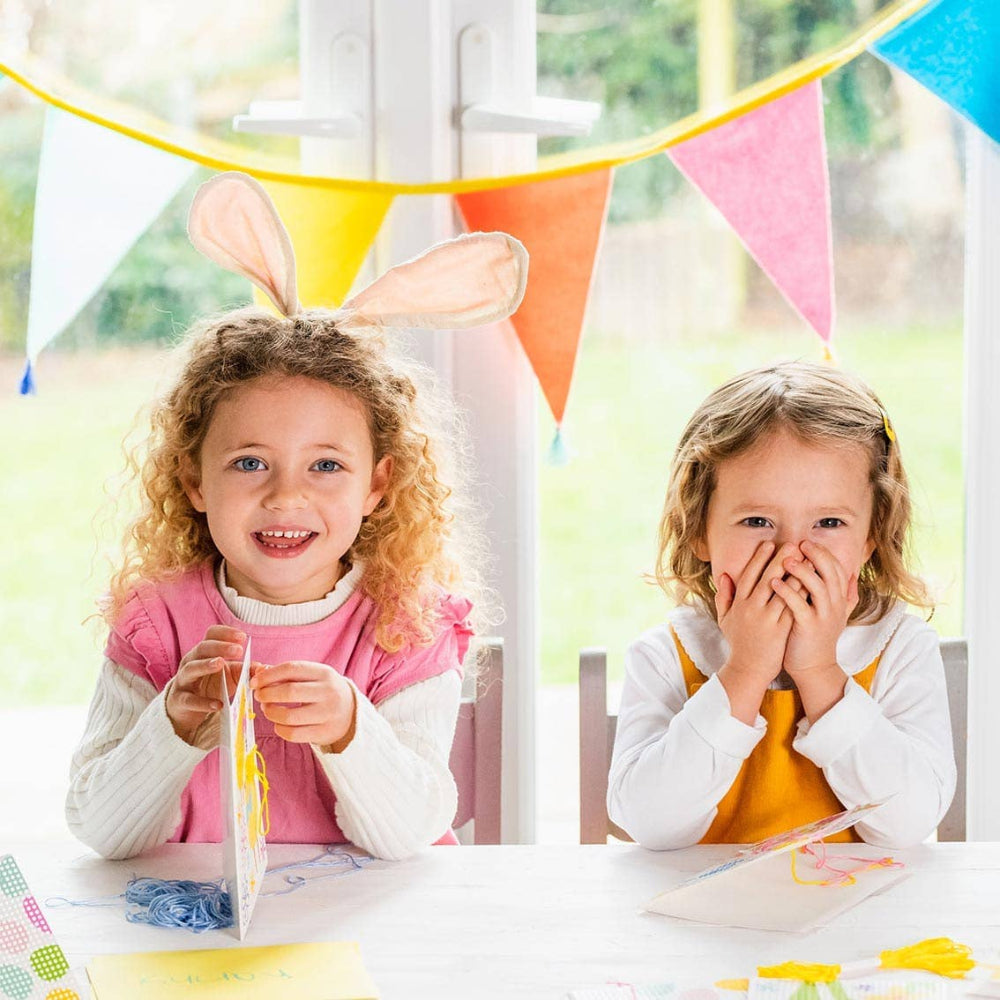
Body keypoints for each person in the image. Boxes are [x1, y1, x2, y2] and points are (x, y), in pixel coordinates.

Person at [66, 172, 527, 860]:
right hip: (202, 920)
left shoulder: (407, 624)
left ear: (377, 485)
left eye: (326, 466)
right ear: (193, 480)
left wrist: (349, 729)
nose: (286, 497)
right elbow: (101, 832)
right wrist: (172, 725)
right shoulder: (156, 621)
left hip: (374, 919)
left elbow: (408, 837)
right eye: (250, 462)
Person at [607, 361, 956, 849]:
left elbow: (906, 824)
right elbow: (651, 826)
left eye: (829, 523)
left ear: (871, 536)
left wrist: (819, 672)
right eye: (757, 521)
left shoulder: (900, 648)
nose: (790, 553)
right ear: (699, 529)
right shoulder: (666, 654)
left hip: (860, 901)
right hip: (710, 902)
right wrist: (745, 671)